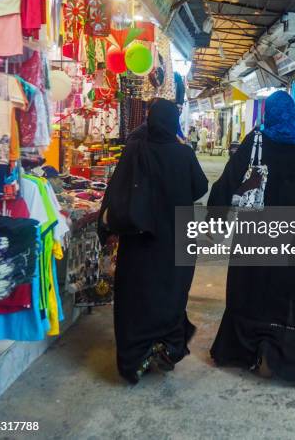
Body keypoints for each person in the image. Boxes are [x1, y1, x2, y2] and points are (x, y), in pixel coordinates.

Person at [208, 91, 295, 383]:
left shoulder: (255, 142)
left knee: (248, 290)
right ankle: (286, 352)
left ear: (267, 113)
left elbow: (228, 182)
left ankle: (245, 349)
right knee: (287, 295)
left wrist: (215, 218)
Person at [99, 99, 208, 384]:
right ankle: (167, 347)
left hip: (139, 239)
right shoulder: (184, 154)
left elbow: (116, 190)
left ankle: (135, 359)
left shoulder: (135, 149)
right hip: (175, 238)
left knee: (135, 297)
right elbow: (201, 187)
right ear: (174, 123)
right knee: (170, 294)